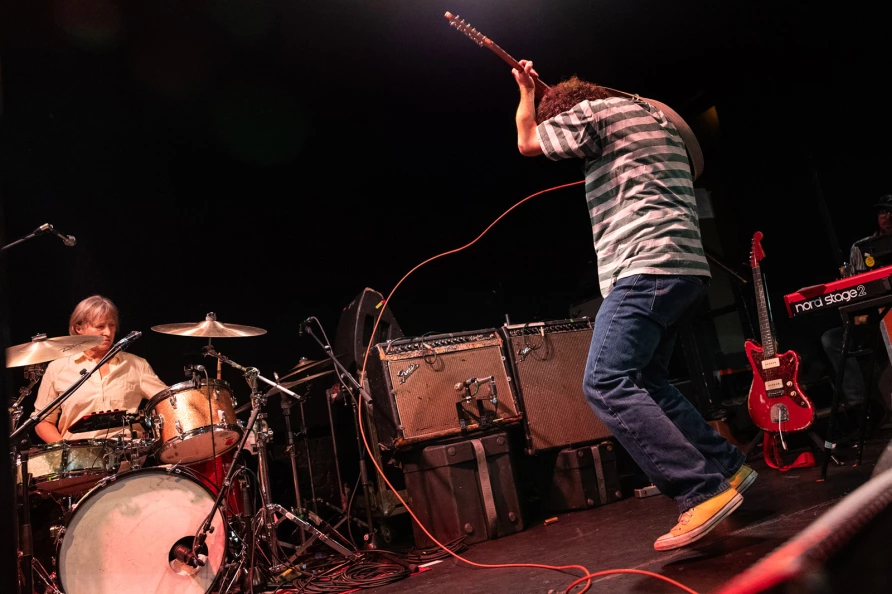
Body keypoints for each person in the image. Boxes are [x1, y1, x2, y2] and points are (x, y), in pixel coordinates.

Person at [510, 60, 755, 551]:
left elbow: (529, 141)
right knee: (649, 380)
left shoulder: (593, 115)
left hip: (644, 266)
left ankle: (699, 491)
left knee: (605, 381)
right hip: (685, 269)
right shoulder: (652, 116)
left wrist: (525, 94)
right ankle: (728, 467)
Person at [33, 294, 169, 444]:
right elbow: (43, 422)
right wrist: (66, 450)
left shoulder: (136, 364)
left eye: (111, 325)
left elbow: (168, 402)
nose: (108, 333)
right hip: (77, 460)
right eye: (100, 326)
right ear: (79, 328)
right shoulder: (58, 368)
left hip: (130, 458)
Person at [820, 193, 892, 428]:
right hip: (873, 320)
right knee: (831, 338)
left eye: (891, 211)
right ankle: (862, 408)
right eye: (883, 212)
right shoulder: (861, 248)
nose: (887, 217)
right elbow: (853, 289)